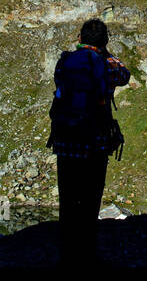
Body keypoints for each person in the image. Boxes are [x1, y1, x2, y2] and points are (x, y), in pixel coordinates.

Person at [47, 17, 130, 265]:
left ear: (80, 39)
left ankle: (66, 253)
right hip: (94, 143)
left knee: (69, 198)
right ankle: (87, 253)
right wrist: (105, 53)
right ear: (105, 41)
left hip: (66, 142)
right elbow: (125, 75)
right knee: (90, 198)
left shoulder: (65, 62)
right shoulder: (108, 64)